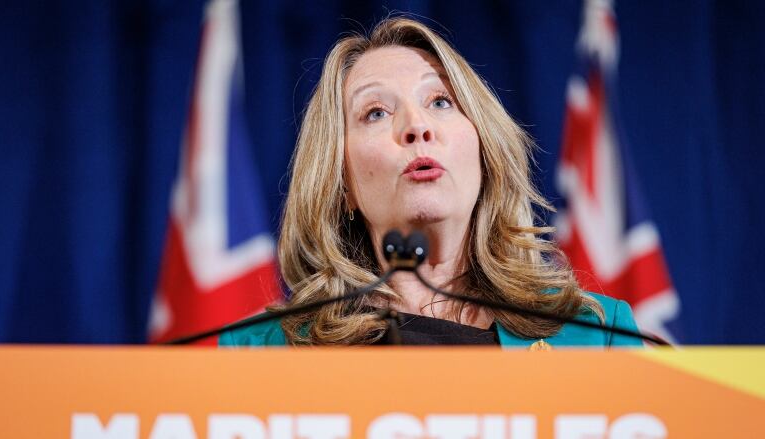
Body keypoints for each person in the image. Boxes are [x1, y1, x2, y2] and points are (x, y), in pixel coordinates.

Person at [220, 17, 641, 348]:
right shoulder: (260, 352)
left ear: (484, 153)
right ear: (340, 183)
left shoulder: (596, 337)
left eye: (440, 101)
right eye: (376, 112)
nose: (417, 126)